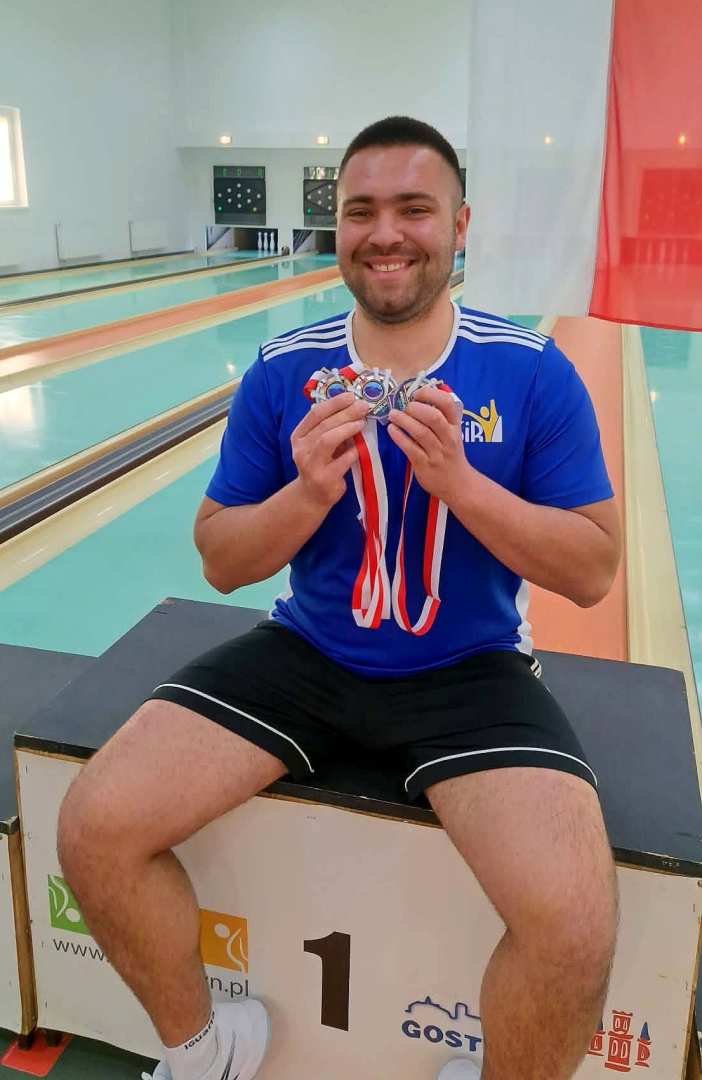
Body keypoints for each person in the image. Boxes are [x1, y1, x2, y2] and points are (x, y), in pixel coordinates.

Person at [57, 116, 621, 1080]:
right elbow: (220, 560)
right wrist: (308, 494)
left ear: (459, 225)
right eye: (361, 211)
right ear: (338, 227)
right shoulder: (284, 369)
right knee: (94, 827)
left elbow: (594, 567)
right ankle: (206, 1048)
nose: (385, 232)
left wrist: (463, 486)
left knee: (573, 923)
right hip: (307, 655)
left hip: (472, 669)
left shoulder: (531, 371)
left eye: (414, 208)